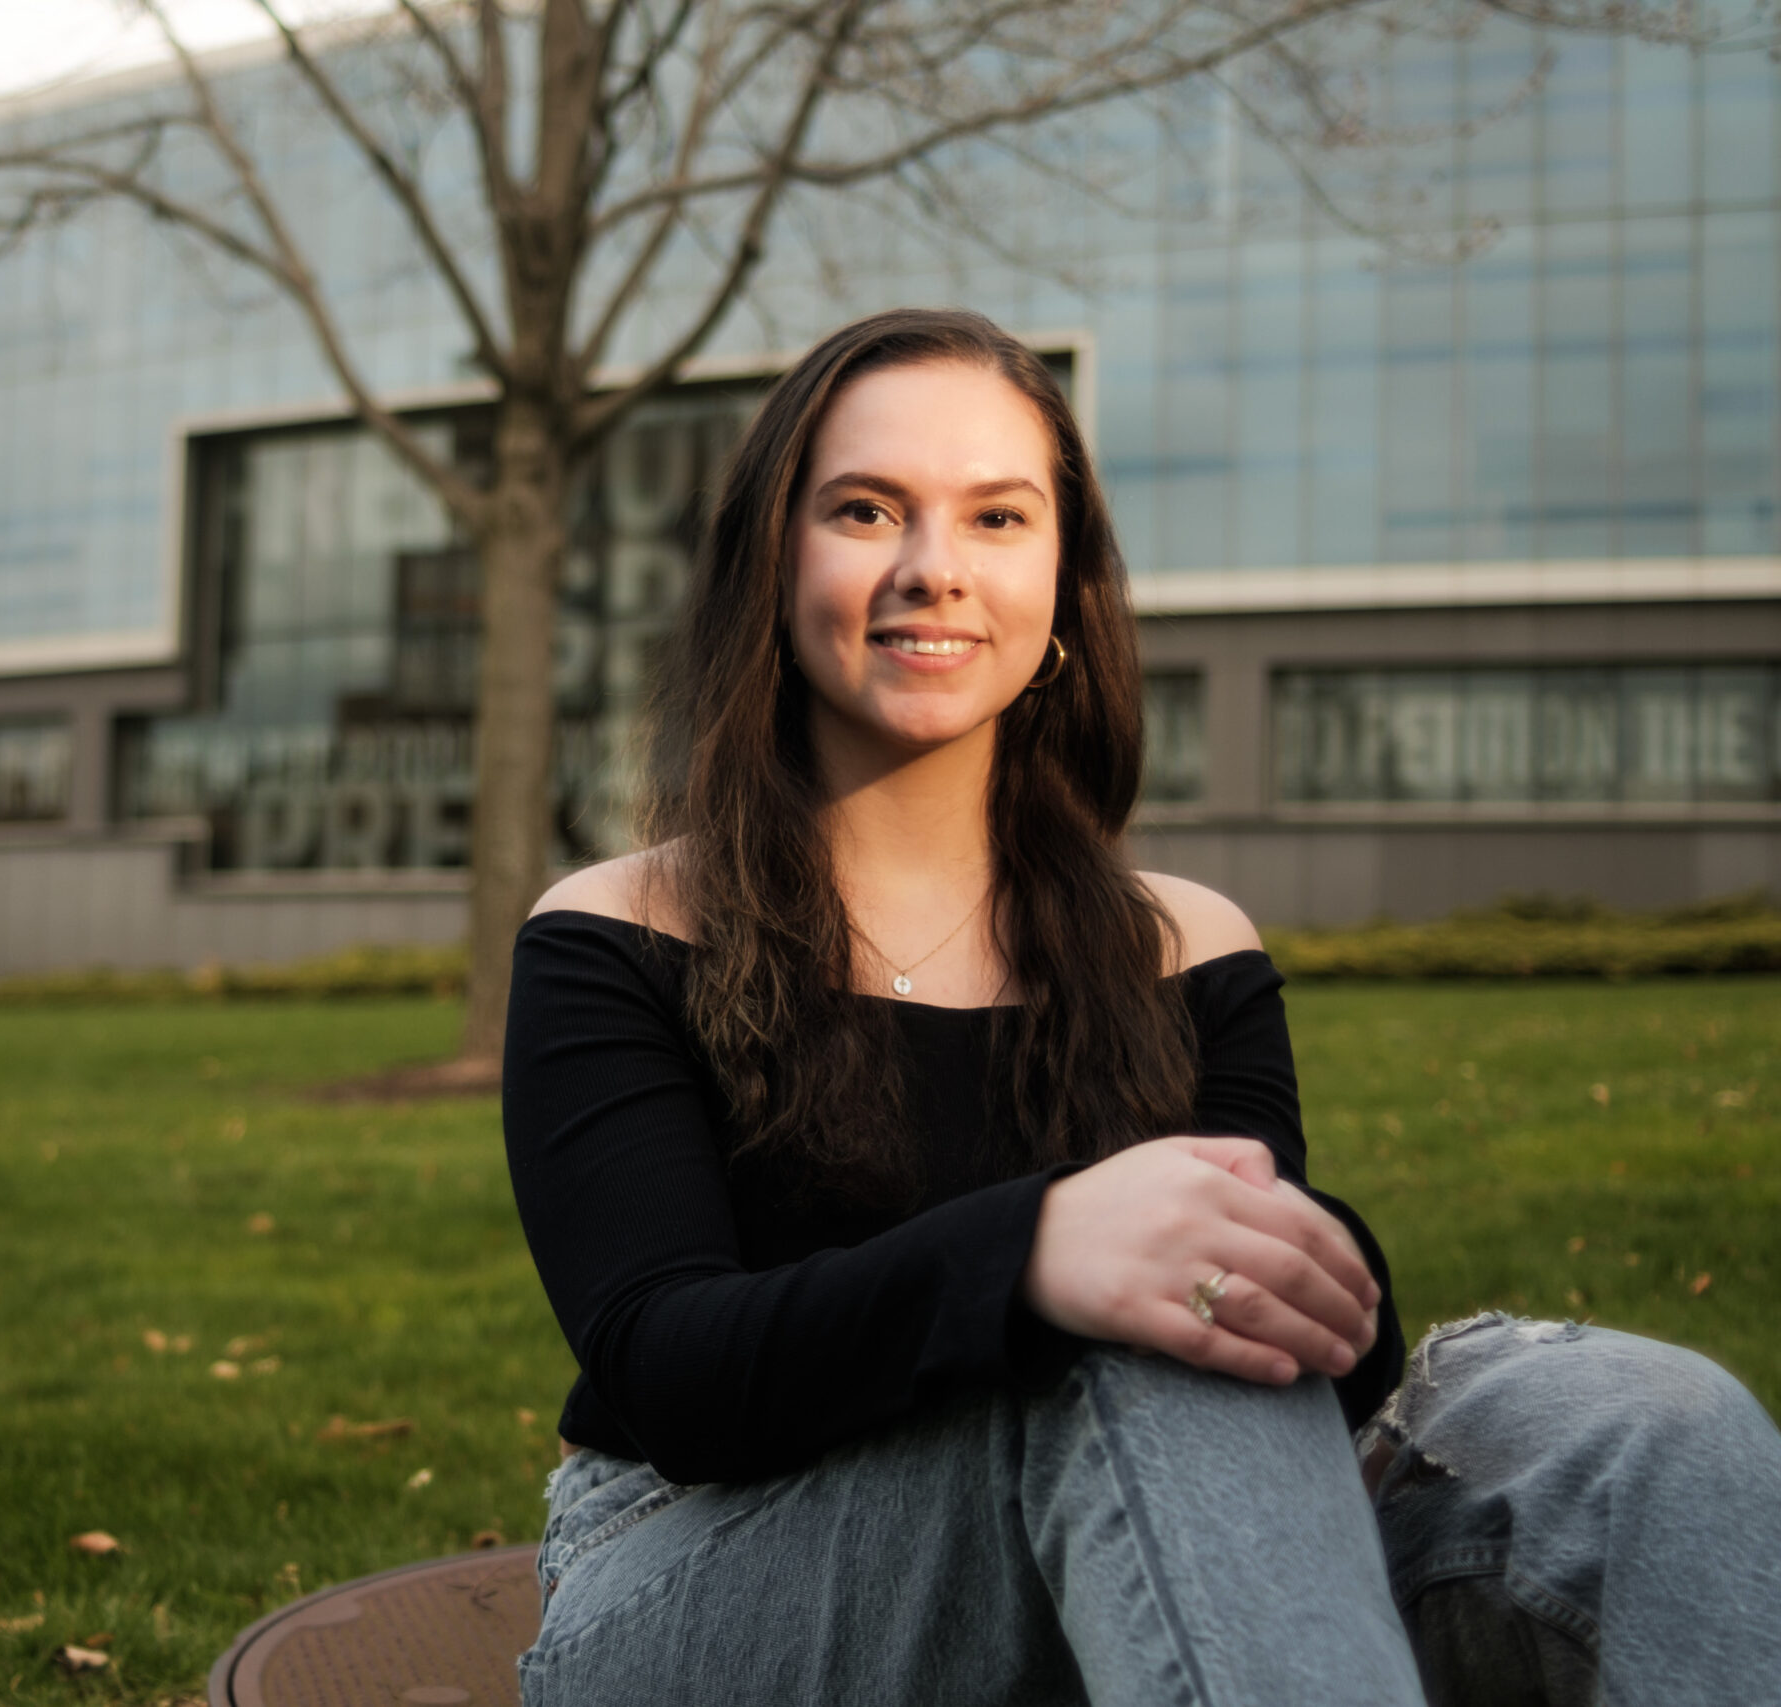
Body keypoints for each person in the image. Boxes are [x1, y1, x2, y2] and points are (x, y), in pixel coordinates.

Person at [499, 308, 1781, 1706]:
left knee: (1653, 1424)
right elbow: (670, 1370)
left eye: (998, 518)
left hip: (1151, 1525)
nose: (934, 571)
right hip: (694, 1574)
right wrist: (1040, 1251)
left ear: (1063, 581)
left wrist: (1291, 1257)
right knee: (1139, 1350)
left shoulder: (1186, 946)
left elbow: (1305, 1349)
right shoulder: (618, 930)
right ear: (769, 562)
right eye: (867, 511)